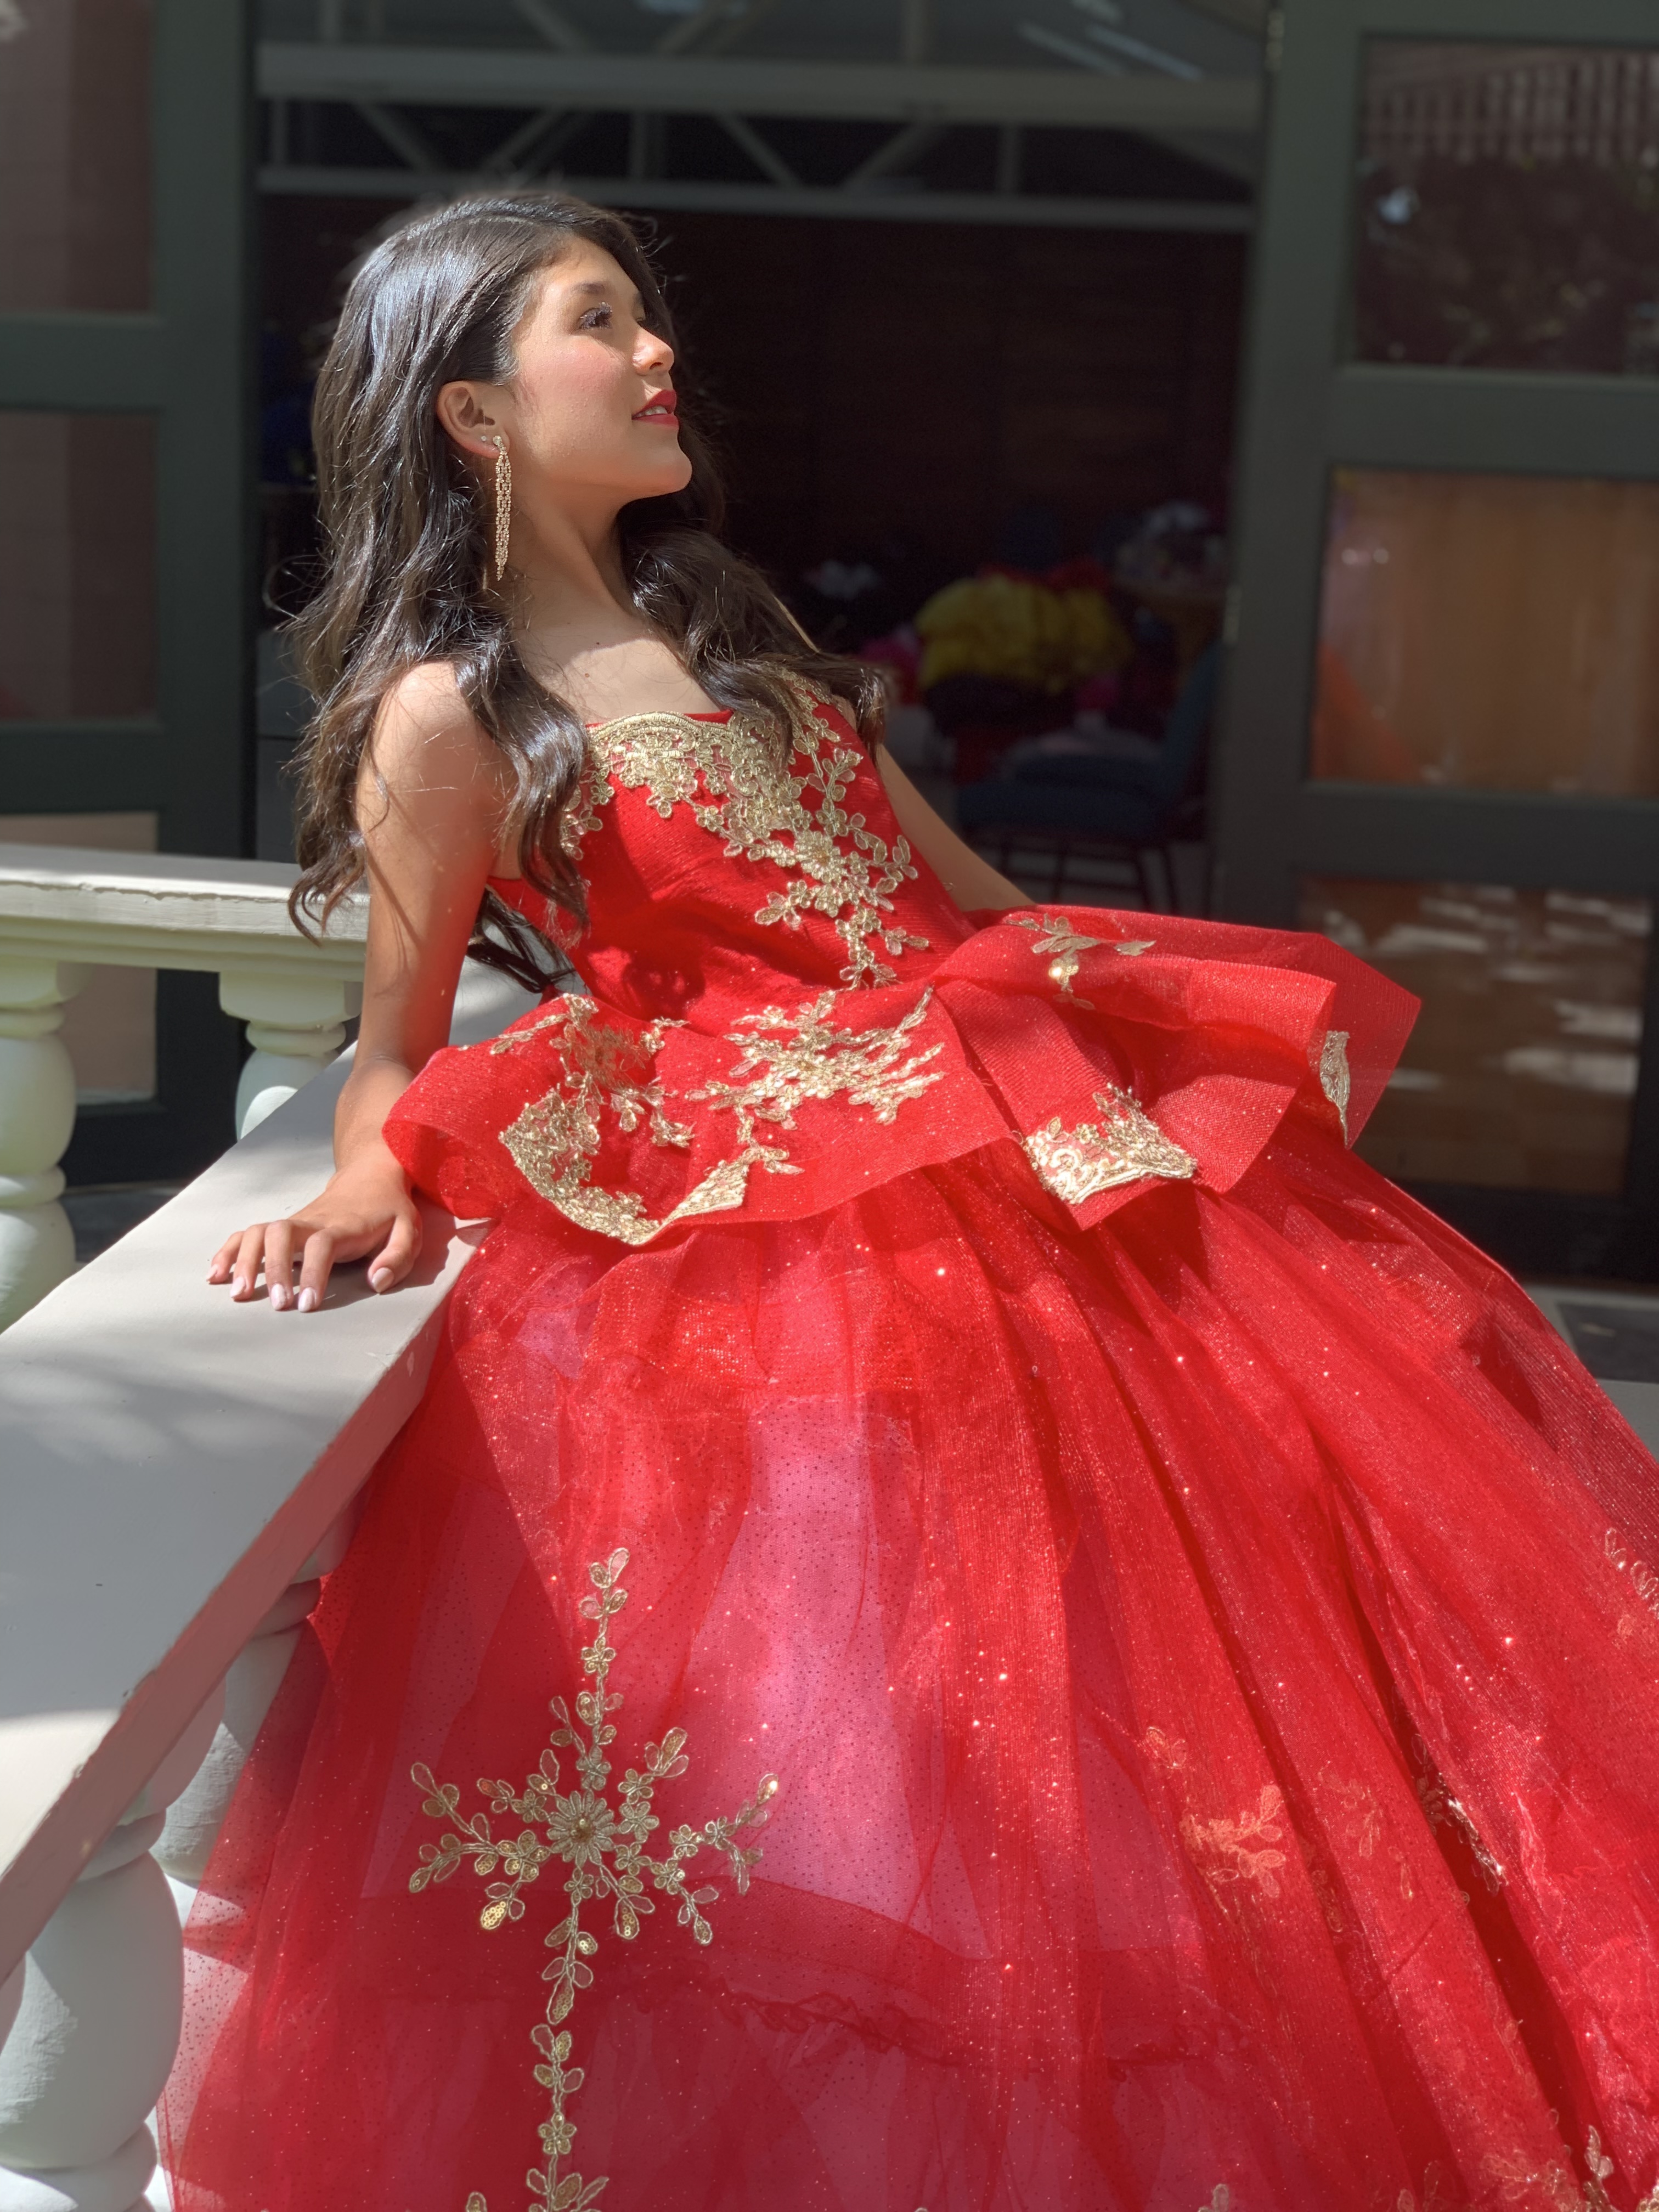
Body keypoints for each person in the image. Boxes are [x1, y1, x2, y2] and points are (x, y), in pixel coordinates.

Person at [168, 189, 1659, 2212]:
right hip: (780, 1241)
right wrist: (362, 1175)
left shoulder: (725, 626)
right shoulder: (452, 716)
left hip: (1003, 1148)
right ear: (470, 413)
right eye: (601, 323)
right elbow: (399, 1033)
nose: (658, 351)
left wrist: (1129, 1064)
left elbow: (968, 905)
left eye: (646, 316)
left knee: (1188, 1697)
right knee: (866, 1750)